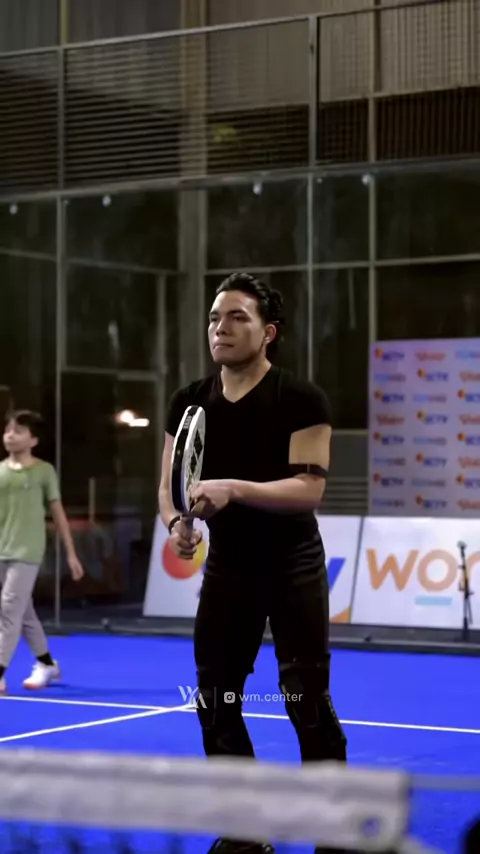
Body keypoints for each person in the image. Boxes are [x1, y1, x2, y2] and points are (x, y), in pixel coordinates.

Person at [159, 273, 347, 854]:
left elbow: (308, 490)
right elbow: (170, 486)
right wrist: (179, 524)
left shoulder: (302, 398)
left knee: (305, 700)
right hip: (228, 568)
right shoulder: (188, 401)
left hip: (293, 564)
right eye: (215, 317)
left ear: (268, 332)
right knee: (215, 702)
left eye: (237, 317)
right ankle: (244, 833)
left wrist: (234, 488)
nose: (221, 327)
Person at [0, 410, 84, 695]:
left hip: (27, 551)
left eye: (18, 431)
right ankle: (47, 664)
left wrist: (71, 553)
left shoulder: (44, 471)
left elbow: (58, 513)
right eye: (8, 430)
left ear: (33, 440)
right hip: (1, 551)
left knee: (9, 608)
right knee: (23, 613)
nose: (10, 435)